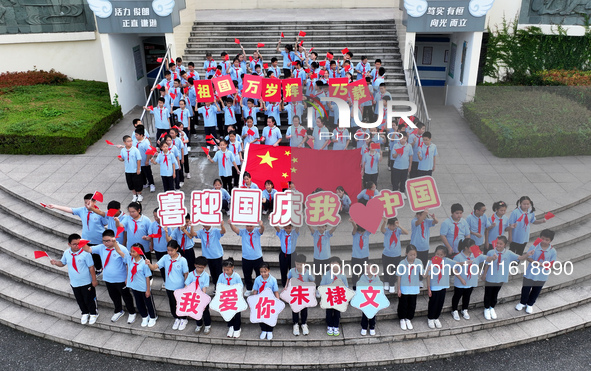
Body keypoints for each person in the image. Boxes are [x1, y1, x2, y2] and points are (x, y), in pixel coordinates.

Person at [83, 230, 137, 324]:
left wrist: (127, 278)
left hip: (121, 279)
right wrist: (81, 242)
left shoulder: (121, 249)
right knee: (114, 296)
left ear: (113, 239)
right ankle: (118, 310)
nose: (105, 243)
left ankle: (132, 312)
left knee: (126, 296)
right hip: (108, 278)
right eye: (104, 241)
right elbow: (89, 249)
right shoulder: (101, 247)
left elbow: (129, 263)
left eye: (108, 241)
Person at [47, 194, 105, 273]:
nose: (86, 205)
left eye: (89, 203)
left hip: (98, 239)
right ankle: (92, 268)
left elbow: (105, 223)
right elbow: (69, 209)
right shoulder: (82, 210)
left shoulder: (100, 213)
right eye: (85, 203)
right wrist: (55, 206)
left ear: (94, 202)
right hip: (86, 239)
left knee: (98, 256)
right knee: (89, 255)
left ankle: (99, 268)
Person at [50, 234, 98, 324]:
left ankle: (93, 313)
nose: (77, 246)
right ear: (69, 244)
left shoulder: (85, 253)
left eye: (79, 243)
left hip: (86, 282)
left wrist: (94, 280)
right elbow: (62, 263)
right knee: (79, 299)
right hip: (75, 282)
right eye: (74, 244)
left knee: (89, 298)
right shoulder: (66, 253)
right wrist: (56, 263)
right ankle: (84, 312)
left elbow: (91, 267)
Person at [481, 236, 530, 320]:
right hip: (490, 276)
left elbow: (520, 258)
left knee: (495, 293)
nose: (498, 245)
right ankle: (486, 308)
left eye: (501, 244)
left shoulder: (509, 253)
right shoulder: (491, 252)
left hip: (501, 277)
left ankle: (492, 307)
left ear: (505, 245)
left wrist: (528, 254)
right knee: (488, 293)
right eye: (497, 243)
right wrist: (484, 274)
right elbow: (487, 264)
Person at [146, 240, 189, 330]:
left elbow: (186, 274)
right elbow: (154, 267)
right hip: (169, 286)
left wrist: (186, 286)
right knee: (172, 304)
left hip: (180, 287)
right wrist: (149, 263)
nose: (169, 252)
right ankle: (176, 318)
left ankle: (183, 319)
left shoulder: (182, 260)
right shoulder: (165, 258)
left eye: (171, 250)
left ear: (176, 249)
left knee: (181, 304)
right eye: (168, 250)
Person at [516, 229, 557, 314]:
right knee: (526, 288)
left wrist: (542, 265)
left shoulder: (552, 251)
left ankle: (530, 304)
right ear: (540, 237)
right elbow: (528, 257)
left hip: (542, 275)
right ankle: (522, 302)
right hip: (530, 273)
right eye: (543, 238)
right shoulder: (534, 246)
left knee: (536, 290)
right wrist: (535, 262)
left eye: (547, 240)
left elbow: (551, 263)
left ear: (550, 241)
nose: (544, 241)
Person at [451, 238, 493, 321]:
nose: (474, 248)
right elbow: (454, 269)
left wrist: (493, 257)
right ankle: (454, 310)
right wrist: (461, 279)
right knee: (457, 296)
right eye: (472, 246)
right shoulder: (458, 257)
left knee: (467, 296)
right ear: (466, 248)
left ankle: (464, 309)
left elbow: (487, 258)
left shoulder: (476, 255)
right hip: (460, 281)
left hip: (471, 280)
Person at [116, 243, 157, 327]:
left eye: (133, 252)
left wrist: (148, 290)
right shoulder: (129, 259)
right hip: (134, 286)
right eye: (131, 251)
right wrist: (114, 242)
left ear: (139, 252)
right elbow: (119, 251)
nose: (131, 253)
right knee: (139, 303)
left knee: (149, 303)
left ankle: (153, 316)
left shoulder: (144, 263)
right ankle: (144, 316)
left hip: (143, 287)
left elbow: (147, 277)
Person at [228, 220, 265, 296]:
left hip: (257, 257)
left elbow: (262, 230)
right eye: (247, 226)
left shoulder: (257, 231)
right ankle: (249, 288)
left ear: (254, 226)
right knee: (247, 274)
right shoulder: (243, 232)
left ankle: (259, 288)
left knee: (259, 274)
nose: (249, 228)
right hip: (246, 258)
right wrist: (231, 224)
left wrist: (261, 225)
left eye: (251, 226)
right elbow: (235, 229)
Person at [424, 245, 456, 328]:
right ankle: (430, 318)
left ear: (444, 255)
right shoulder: (431, 262)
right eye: (437, 254)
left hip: (443, 287)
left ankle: (436, 317)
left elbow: (457, 264)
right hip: (434, 287)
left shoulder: (446, 261)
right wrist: (429, 288)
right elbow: (427, 276)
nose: (438, 256)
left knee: (440, 303)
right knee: (433, 303)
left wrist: (466, 263)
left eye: (441, 254)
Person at [284, 254, 314, 336]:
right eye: (297, 264)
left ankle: (304, 324)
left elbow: (312, 280)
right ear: (295, 263)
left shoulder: (307, 272)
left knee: (304, 310)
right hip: (295, 293)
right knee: (295, 310)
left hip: (304, 294)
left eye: (301, 264)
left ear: (304, 264)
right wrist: (286, 286)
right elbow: (288, 278)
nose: (299, 266)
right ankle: (295, 324)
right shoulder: (292, 271)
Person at [320, 256, 348, 336]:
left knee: (337, 313)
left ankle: (336, 326)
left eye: (335, 264)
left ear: (339, 265)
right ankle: (329, 325)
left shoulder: (342, 275)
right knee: (328, 312)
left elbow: (346, 287)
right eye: (332, 264)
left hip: (338, 297)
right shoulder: (326, 275)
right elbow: (322, 286)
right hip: (329, 297)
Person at [396, 244, 422, 330]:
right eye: (411, 255)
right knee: (403, 303)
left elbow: (423, 274)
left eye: (414, 255)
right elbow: (399, 276)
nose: (413, 256)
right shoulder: (402, 263)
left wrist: (429, 270)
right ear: (406, 253)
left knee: (412, 304)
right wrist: (398, 288)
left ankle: (408, 318)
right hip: (404, 288)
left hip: (414, 288)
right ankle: (402, 318)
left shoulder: (418, 262)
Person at [252, 262, 280, 340]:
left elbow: (276, 292)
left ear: (269, 270)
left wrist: (278, 301)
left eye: (265, 271)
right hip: (261, 301)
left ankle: (270, 330)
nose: (263, 273)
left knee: (270, 316)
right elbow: (255, 290)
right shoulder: (258, 279)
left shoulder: (273, 280)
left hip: (270, 301)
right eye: (261, 272)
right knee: (261, 316)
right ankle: (263, 329)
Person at [185, 256, 212, 334]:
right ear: (194, 265)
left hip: (202, 296)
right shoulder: (191, 274)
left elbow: (204, 287)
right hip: (193, 296)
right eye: (198, 267)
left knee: (205, 311)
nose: (199, 269)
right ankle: (199, 324)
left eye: (201, 268)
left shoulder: (206, 275)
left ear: (205, 267)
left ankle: (207, 325)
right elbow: (187, 285)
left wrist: (203, 298)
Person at [380, 217, 408, 293]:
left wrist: (399, 226)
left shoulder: (398, 230)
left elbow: (406, 232)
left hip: (396, 254)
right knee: (386, 269)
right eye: (391, 225)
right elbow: (382, 230)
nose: (393, 227)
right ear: (388, 225)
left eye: (394, 225)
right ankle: (386, 282)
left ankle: (392, 284)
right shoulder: (387, 230)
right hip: (386, 254)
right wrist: (384, 222)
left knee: (393, 270)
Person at [217, 257, 243, 338]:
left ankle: (237, 328)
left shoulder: (237, 276)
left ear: (232, 268)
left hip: (235, 298)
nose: (226, 272)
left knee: (236, 313)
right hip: (226, 298)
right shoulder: (221, 276)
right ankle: (231, 326)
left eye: (228, 270)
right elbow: (218, 285)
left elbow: (240, 286)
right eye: (224, 270)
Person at [147, 207, 172, 289]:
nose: (156, 218)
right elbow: (151, 235)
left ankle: (170, 280)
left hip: (166, 249)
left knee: (169, 266)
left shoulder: (167, 225)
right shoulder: (153, 224)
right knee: (161, 266)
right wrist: (151, 245)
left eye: (158, 216)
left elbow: (171, 237)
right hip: (158, 249)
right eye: (154, 216)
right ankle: (165, 280)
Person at [195, 221, 226, 286]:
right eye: (204, 223)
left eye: (207, 223)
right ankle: (215, 285)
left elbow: (223, 232)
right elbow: (193, 234)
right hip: (207, 256)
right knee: (212, 272)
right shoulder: (201, 232)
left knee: (219, 272)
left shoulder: (215, 230)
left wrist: (222, 225)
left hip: (217, 255)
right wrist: (192, 225)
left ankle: (221, 286)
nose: (205, 225)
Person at [357, 265, 382, 336]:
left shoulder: (376, 277)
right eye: (367, 268)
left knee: (372, 314)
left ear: (374, 269)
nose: (368, 270)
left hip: (373, 298)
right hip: (365, 298)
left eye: (370, 268)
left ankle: (372, 326)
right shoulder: (362, 277)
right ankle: (364, 327)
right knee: (364, 313)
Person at [118, 135, 143, 202]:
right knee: (130, 183)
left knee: (138, 183)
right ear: (124, 142)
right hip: (128, 170)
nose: (130, 143)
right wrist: (120, 159)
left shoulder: (135, 150)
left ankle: (139, 194)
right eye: (128, 141)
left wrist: (138, 169)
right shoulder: (123, 150)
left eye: (131, 141)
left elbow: (139, 159)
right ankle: (134, 195)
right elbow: (123, 158)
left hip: (135, 170)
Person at [350, 219, 372, 288]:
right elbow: (355, 228)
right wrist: (353, 223)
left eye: (362, 231)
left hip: (364, 257)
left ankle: (362, 285)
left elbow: (371, 226)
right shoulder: (355, 234)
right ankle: (354, 286)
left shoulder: (367, 233)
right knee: (355, 273)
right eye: (359, 231)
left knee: (363, 273)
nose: (361, 232)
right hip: (355, 257)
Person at [390, 132, 412, 197]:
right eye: (401, 138)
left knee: (403, 180)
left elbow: (410, 156)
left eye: (404, 138)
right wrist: (397, 153)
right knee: (396, 180)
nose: (403, 140)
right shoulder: (396, 145)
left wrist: (410, 165)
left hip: (405, 166)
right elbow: (393, 156)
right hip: (397, 166)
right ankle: (395, 192)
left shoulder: (409, 146)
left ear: (406, 138)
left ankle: (402, 192)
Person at [134, 126, 156, 193]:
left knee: (148, 173)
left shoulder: (146, 142)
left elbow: (149, 152)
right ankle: (144, 183)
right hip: (139, 162)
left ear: (141, 135)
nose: (135, 136)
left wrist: (147, 160)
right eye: (135, 135)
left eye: (137, 135)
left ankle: (151, 184)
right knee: (142, 173)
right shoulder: (135, 142)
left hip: (145, 161)